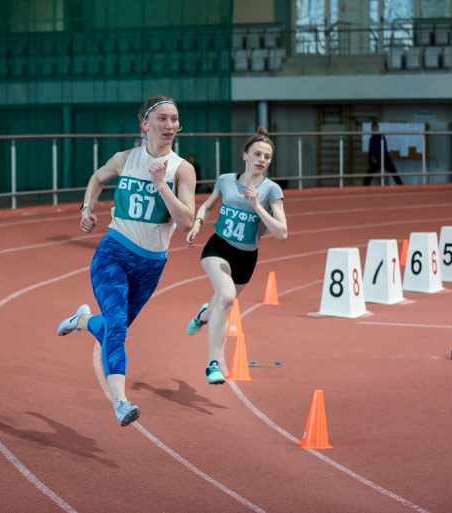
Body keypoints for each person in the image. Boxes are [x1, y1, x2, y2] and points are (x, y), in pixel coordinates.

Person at [56, 96, 196, 427]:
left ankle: (82, 320)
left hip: (151, 265)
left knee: (111, 329)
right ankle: (121, 402)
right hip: (114, 253)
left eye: (175, 119)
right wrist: (87, 208)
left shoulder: (182, 169)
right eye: (162, 118)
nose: (170, 126)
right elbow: (97, 178)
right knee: (117, 328)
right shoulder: (125, 159)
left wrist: (161, 184)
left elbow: (186, 221)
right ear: (145, 124)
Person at [184, 128, 287, 384]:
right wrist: (197, 223)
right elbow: (208, 205)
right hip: (218, 247)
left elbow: (282, 233)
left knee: (221, 302)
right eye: (257, 154)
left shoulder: (272, 190)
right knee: (227, 297)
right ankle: (213, 363)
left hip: (246, 257)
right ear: (245, 156)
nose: (262, 160)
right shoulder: (226, 180)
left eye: (267, 156)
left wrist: (258, 207)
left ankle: (203, 316)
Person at [364, 121, 403, 186]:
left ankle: (401, 186)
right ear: (372, 129)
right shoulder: (371, 139)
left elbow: (383, 149)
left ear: (377, 128)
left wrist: (376, 158)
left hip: (385, 159)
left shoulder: (381, 137)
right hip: (376, 161)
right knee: (368, 175)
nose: (374, 129)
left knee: (394, 173)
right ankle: (364, 188)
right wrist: (371, 159)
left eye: (375, 127)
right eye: (373, 128)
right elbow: (370, 151)